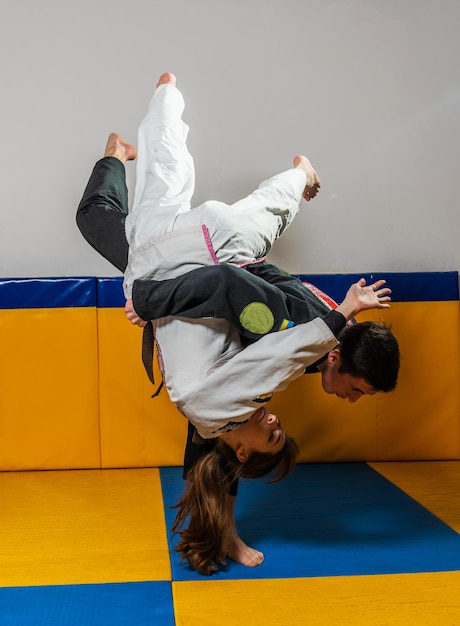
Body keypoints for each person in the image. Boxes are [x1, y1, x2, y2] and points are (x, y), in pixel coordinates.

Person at [76, 72, 399, 575]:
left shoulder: (237, 402)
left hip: (178, 259)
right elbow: (243, 298)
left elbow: (227, 429)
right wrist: (150, 299)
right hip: (189, 260)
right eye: (357, 390)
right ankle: (172, 110)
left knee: (143, 196)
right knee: (209, 198)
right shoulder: (303, 340)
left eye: (269, 435)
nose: (351, 399)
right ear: (335, 355)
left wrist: (345, 312)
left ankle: (155, 112)